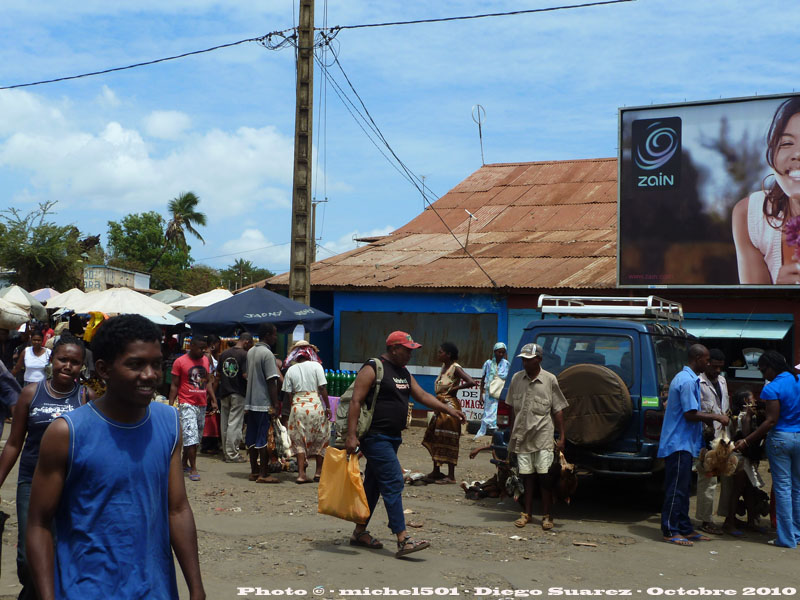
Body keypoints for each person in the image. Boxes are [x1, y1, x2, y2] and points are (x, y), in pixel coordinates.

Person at [25, 315, 205, 600]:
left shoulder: (169, 423)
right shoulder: (67, 434)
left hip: (155, 589)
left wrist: (196, 588)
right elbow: (38, 524)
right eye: (135, 364)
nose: (149, 374)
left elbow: (178, 509)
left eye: (156, 364)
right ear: (104, 369)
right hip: (85, 589)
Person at [345, 331, 466, 558]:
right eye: (407, 349)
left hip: (393, 438)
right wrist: (351, 436)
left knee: (373, 485)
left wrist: (449, 409)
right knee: (393, 480)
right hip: (375, 436)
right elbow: (356, 400)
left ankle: (359, 532)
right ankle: (403, 539)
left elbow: (421, 395)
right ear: (393, 349)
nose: (411, 354)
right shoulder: (373, 367)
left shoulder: (403, 372)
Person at [0, 334, 91, 600]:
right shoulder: (31, 393)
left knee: (59, 547)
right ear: (52, 360)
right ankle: (31, 592)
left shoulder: (86, 398)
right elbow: (14, 443)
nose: (68, 366)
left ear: (81, 367)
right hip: (31, 481)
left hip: (69, 484)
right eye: (63, 359)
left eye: (75, 362)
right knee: (28, 555)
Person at [658, 344, 730, 547]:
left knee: (683, 488)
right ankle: (670, 530)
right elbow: (690, 414)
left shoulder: (689, 379)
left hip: (686, 442)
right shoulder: (688, 381)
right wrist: (715, 416)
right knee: (676, 490)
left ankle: (685, 528)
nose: (708, 364)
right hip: (678, 443)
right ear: (697, 358)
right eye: (706, 360)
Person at [734, 350, 800, 548]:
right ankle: (796, 534)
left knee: (783, 489)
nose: (763, 375)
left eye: (763, 370)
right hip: (798, 436)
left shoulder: (772, 388)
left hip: (780, 438)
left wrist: (746, 441)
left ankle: (786, 538)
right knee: (797, 489)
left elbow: (771, 421)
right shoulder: (797, 380)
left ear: (771, 368)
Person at [732, 96, 800, 284]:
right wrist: (782, 295)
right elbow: (756, 310)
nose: (797, 153)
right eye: (786, 143)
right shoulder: (750, 216)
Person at [505, 343, 567, 531]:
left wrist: (562, 436)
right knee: (527, 478)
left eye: (529, 359)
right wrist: (511, 434)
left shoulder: (549, 380)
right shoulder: (517, 379)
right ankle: (527, 513)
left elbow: (557, 410)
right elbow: (511, 409)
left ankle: (547, 516)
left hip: (543, 437)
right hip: (522, 438)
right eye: (523, 359)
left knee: (545, 479)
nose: (525, 363)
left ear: (539, 360)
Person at [422, 342, 475, 484]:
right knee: (435, 437)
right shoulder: (443, 368)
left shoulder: (455, 368)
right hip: (440, 405)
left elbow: (471, 382)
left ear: (448, 354)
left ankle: (451, 476)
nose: (438, 354)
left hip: (450, 406)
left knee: (449, 438)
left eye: (441, 352)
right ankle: (436, 470)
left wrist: (455, 389)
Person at [169, 336, 217, 482]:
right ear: (192, 346)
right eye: (200, 348)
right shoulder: (180, 362)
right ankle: (193, 468)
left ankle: (184, 463)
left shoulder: (205, 361)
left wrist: (213, 400)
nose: (203, 351)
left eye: (205, 348)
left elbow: (207, 382)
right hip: (186, 403)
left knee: (196, 437)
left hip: (201, 403)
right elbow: (174, 385)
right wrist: (171, 405)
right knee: (190, 435)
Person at [282, 341, 330, 483]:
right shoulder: (317, 366)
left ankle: (301, 474)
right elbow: (322, 388)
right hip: (315, 406)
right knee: (321, 438)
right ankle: (318, 472)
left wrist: (293, 407)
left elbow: (288, 394)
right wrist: (327, 407)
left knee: (299, 440)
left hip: (298, 406)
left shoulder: (291, 370)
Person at [695, 348, 730, 536]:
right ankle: (705, 519)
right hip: (705, 437)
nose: (717, 371)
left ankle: (726, 517)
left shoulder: (723, 381)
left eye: (720, 367)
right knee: (708, 480)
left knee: (724, 476)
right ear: (707, 363)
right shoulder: (697, 382)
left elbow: (725, 408)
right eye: (714, 366)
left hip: (722, 438)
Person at [244, 323, 283, 484]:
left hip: (250, 402)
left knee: (251, 437)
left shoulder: (251, 351)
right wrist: (275, 404)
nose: (275, 337)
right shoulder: (267, 354)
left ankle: (254, 470)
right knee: (264, 438)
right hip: (262, 402)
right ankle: (263, 473)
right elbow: (271, 381)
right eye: (274, 335)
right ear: (267, 335)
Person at [216, 332, 253, 463]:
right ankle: (232, 454)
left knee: (225, 424)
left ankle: (227, 453)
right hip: (238, 392)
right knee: (235, 424)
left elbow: (218, 374)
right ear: (246, 342)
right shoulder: (244, 355)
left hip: (224, 391)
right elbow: (245, 375)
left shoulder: (224, 353)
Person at [475, 342, 509, 439]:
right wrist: (480, 395)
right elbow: (483, 379)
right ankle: (485, 434)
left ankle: (495, 437)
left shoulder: (506, 364)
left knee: (497, 414)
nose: (501, 354)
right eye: (499, 352)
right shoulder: (488, 363)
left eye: (503, 352)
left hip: (500, 393)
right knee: (487, 413)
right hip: (489, 394)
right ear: (494, 352)